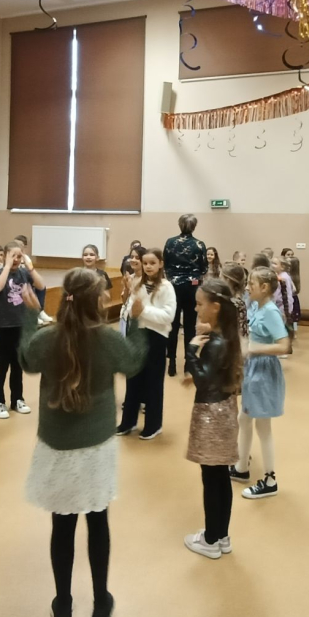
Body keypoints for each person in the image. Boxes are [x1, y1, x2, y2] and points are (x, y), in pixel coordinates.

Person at [20, 268, 148, 617]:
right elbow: (133, 362)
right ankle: (100, 607)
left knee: (62, 525)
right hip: (95, 445)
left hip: (57, 443)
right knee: (97, 521)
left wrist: (30, 316)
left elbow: (27, 360)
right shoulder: (107, 338)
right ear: (97, 300)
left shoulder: (49, 337)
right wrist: (136, 322)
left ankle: (62, 607)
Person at [181, 279, 243, 559]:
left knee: (211, 477)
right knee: (220, 476)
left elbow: (204, 381)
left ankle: (209, 539)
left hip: (211, 415)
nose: (196, 309)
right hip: (224, 411)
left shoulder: (215, 343)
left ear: (215, 307)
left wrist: (191, 352)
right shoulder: (226, 336)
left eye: (199, 304)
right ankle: (221, 535)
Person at [231, 267, 291, 499]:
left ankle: (270, 480)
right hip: (252, 369)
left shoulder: (271, 312)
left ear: (264, 288)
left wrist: (254, 348)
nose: (247, 288)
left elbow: (284, 346)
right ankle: (241, 467)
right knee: (244, 418)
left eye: (251, 284)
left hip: (264, 371)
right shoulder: (256, 306)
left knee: (262, 427)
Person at [116, 248, 176, 440]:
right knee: (133, 379)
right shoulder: (138, 283)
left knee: (153, 382)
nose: (148, 267)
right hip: (137, 335)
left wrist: (143, 311)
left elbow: (168, 316)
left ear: (160, 264)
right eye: (145, 263)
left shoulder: (167, 287)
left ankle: (153, 425)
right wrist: (128, 296)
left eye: (152, 263)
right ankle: (128, 422)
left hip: (156, 337)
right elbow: (130, 309)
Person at [0, 243, 46, 419]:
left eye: (19, 256)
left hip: (21, 325)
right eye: (12, 255)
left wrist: (30, 268)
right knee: (3, 364)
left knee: (17, 364)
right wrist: (7, 266)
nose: (16, 259)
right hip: (4, 326)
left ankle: (17, 399)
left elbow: (41, 285)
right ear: (6, 256)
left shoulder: (24, 273)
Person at [163, 214, 208, 377]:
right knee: (189, 325)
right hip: (192, 287)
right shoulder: (199, 244)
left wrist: (174, 277)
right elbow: (204, 268)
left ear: (179, 225)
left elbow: (165, 264)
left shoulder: (170, 242)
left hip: (174, 287)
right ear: (194, 226)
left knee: (173, 325)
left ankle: (172, 363)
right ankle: (189, 363)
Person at [15, 235, 51, 324]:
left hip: (26, 277)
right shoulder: (12, 257)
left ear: (24, 246)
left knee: (41, 287)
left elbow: (30, 270)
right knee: (27, 289)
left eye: (19, 245)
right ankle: (32, 315)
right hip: (16, 280)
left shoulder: (26, 258)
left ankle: (40, 311)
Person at [118, 245, 145, 336]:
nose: (133, 260)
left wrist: (131, 288)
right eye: (132, 257)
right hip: (126, 317)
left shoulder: (147, 280)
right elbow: (124, 301)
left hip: (141, 321)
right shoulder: (130, 277)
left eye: (137, 258)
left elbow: (140, 301)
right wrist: (126, 288)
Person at [222, 263, 250, 339]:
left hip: (233, 342)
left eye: (221, 277)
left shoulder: (233, 303)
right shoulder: (236, 299)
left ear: (227, 280)